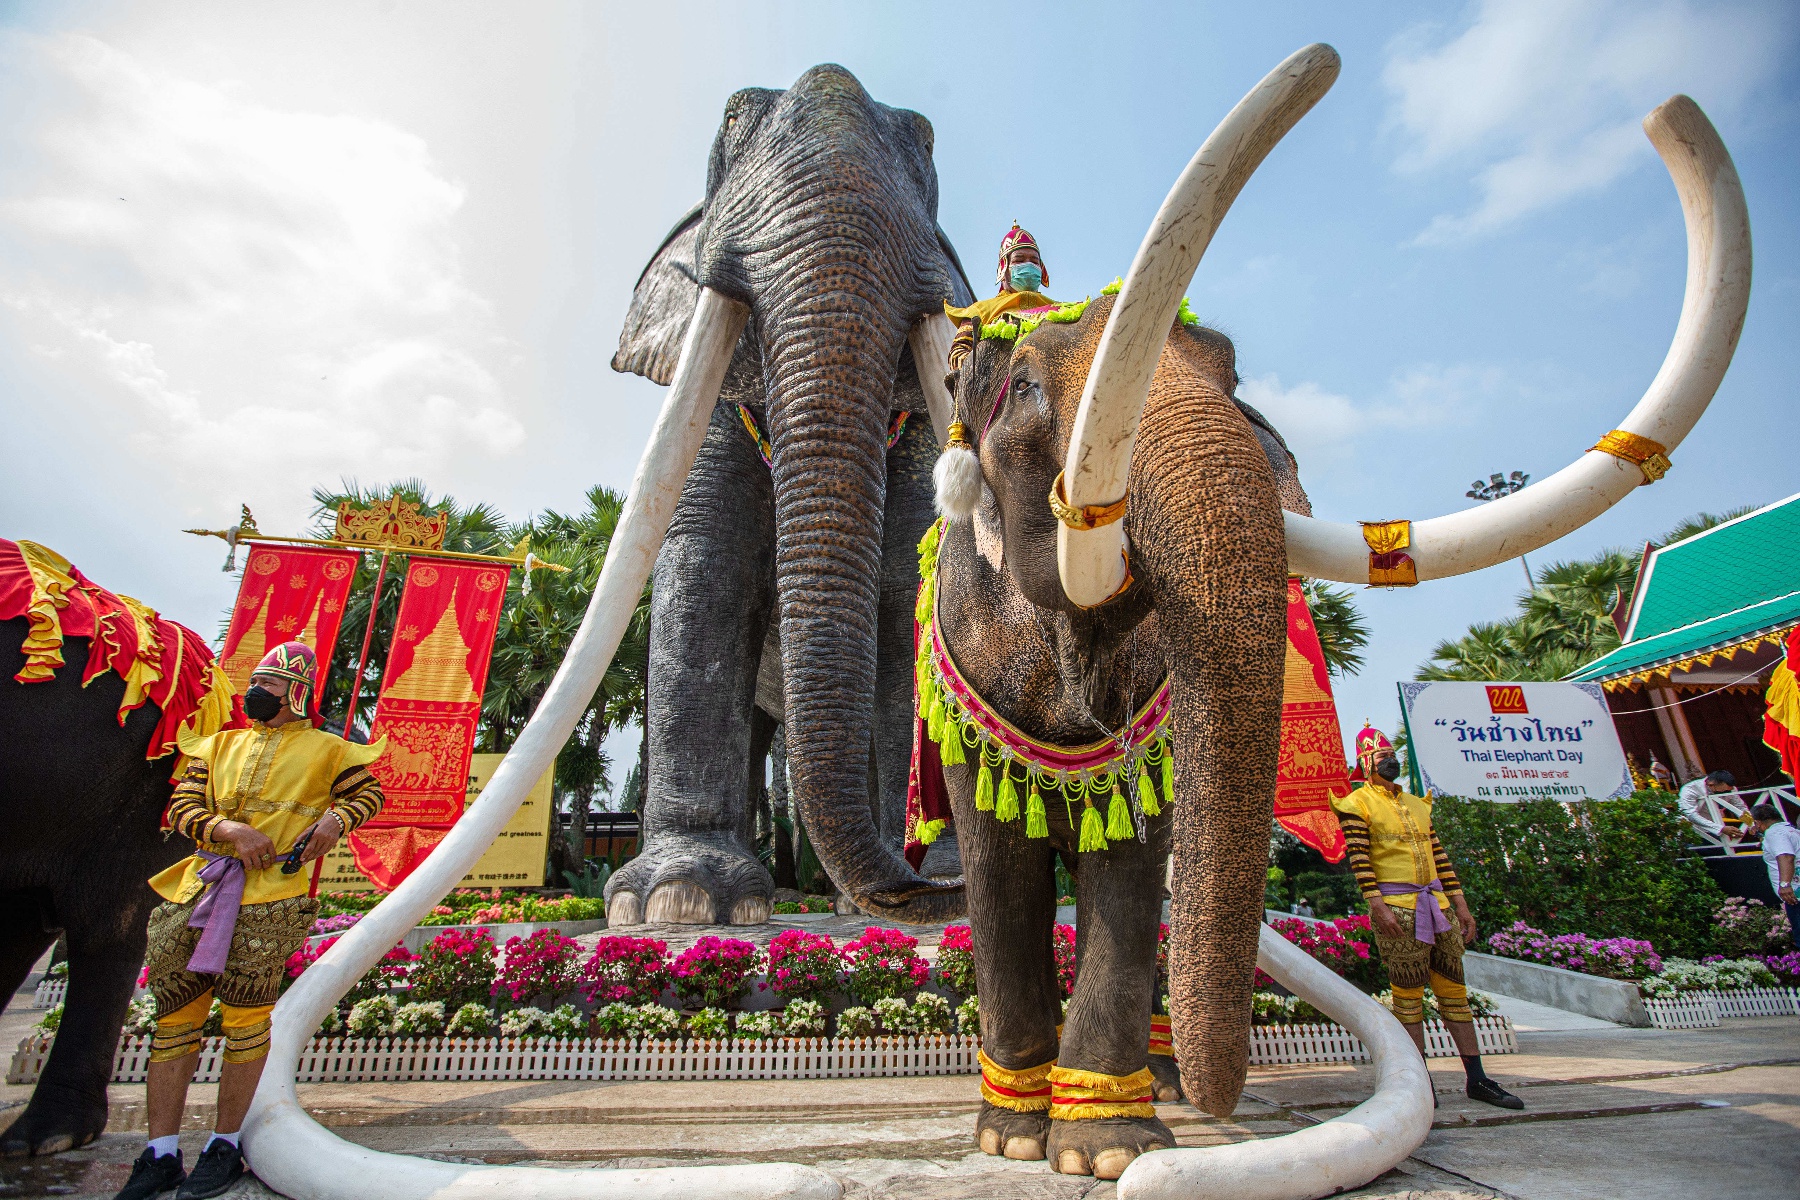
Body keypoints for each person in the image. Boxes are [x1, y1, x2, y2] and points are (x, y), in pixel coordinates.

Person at [117, 643, 386, 1200]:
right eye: (256, 681)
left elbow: (368, 793)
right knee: (173, 1023)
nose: (255, 692)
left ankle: (226, 1142)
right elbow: (183, 810)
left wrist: (336, 819)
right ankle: (160, 1151)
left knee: (245, 1023)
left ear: (299, 691)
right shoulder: (217, 746)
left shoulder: (329, 751)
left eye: (271, 683)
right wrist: (228, 832)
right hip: (198, 888)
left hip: (271, 897)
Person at [1330, 725, 1523, 1110]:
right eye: (1383, 758)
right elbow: (1360, 860)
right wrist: (1377, 904)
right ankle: (1419, 1084)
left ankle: (1477, 1078)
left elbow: (1442, 860)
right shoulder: (1356, 804)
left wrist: (1461, 905)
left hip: (1439, 905)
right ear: (1366, 763)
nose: (1391, 762)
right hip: (1397, 908)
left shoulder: (1420, 805)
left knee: (1455, 995)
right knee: (1408, 998)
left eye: (1392, 756)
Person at [944, 223, 1060, 371]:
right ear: (1003, 269)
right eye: (1019, 260)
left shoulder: (1059, 310)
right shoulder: (980, 311)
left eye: (1034, 261)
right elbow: (957, 356)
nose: (1028, 265)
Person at [1749, 803, 1800, 944]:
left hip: (1795, 895)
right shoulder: (1791, 831)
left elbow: (1785, 856)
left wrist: (1785, 884)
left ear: (1758, 823)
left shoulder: (1774, 833)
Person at [1676, 769, 1744, 844]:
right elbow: (1690, 815)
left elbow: (1740, 807)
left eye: (1728, 791)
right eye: (1723, 791)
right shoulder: (1690, 789)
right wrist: (1721, 829)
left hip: (1716, 828)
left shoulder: (1731, 789)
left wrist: (1751, 823)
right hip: (1693, 832)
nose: (1727, 793)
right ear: (1711, 784)